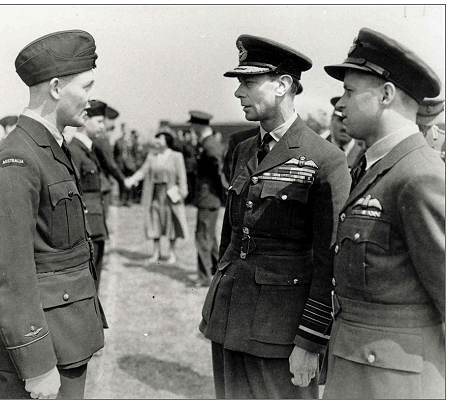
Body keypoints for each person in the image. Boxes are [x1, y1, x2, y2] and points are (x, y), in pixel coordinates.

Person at [199, 34, 351, 399]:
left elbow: (328, 260)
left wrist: (310, 341)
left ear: (283, 85)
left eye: (248, 82)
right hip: (228, 320)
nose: (238, 93)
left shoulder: (325, 159)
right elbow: (230, 238)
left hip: (280, 332)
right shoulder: (242, 149)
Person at [0, 30, 107, 399]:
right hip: (44, 351)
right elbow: (11, 272)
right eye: (87, 85)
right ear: (58, 87)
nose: (91, 98)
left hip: (66, 338)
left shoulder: (49, 146)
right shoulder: (17, 157)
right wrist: (37, 365)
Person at [323, 27, 444, 399]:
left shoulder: (418, 175)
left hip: (395, 382)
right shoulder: (372, 164)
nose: (338, 105)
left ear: (387, 95)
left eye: (349, 91)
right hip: (357, 366)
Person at [126, 131, 189, 264]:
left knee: (171, 223)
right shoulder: (152, 156)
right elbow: (143, 171)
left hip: (171, 195)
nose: (157, 141)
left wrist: (182, 192)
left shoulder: (176, 156)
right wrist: (131, 180)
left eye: (160, 138)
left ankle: (171, 253)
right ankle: (156, 253)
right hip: (155, 194)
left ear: (167, 141)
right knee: (155, 222)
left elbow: (182, 176)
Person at [68, 100, 110, 290]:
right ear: (85, 119)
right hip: (87, 229)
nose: (103, 126)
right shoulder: (75, 151)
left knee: (94, 284)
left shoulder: (88, 150)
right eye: (100, 121)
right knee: (88, 286)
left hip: (96, 225)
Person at [190, 110, 224, 286]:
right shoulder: (206, 143)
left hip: (209, 197)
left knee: (203, 237)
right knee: (208, 237)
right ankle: (219, 271)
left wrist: (222, 193)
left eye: (193, 125)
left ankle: (204, 277)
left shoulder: (210, 145)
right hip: (208, 197)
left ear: (198, 126)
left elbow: (220, 173)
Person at [91, 102, 128, 223]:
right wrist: (123, 180)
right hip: (102, 185)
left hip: (95, 183)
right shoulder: (102, 138)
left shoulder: (95, 136)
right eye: (112, 120)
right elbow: (111, 164)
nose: (113, 124)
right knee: (103, 221)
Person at [326, 96, 365, 168]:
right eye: (340, 120)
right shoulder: (316, 148)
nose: (344, 127)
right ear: (332, 120)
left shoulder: (363, 155)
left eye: (350, 122)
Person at [416, 96, 445, 160]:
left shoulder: (444, 139)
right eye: (421, 123)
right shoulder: (404, 135)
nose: (425, 127)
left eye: (430, 124)